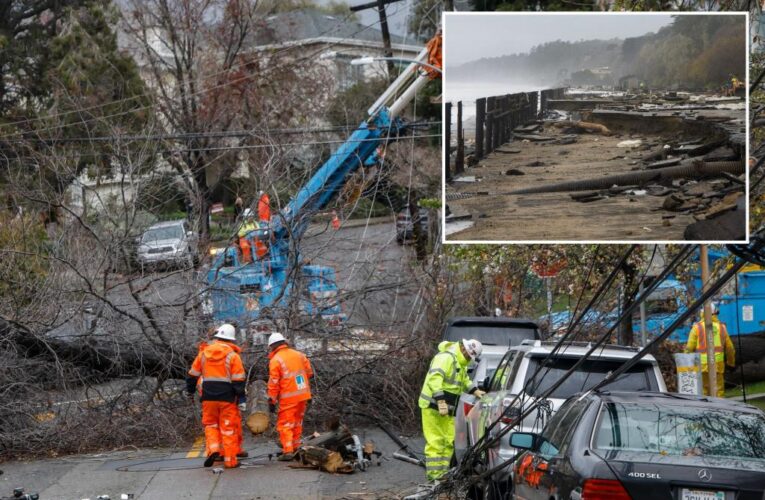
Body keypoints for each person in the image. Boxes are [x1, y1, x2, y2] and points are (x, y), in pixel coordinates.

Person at [418, 339, 485, 482]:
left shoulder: (459, 363)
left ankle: (442, 475)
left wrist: (474, 391)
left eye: (470, 357)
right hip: (432, 407)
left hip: (448, 410)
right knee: (435, 442)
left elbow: (464, 380)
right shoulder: (445, 358)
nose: (468, 358)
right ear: (462, 348)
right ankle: (434, 477)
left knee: (448, 442)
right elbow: (434, 379)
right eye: (468, 355)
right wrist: (440, 400)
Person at [187, 323, 248, 468]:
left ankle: (214, 450)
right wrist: (241, 398)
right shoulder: (233, 356)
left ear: (217, 337)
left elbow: (192, 376)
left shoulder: (203, 354)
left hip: (208, 397)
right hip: (227, 398)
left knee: (211, 425)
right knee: (228, 428)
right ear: (231, 340)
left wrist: (189, 391)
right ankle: (230, 461)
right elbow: (238, 381)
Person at [267, 332, 313, 461]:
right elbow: (309, 373)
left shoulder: (276, 360)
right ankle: (296, 447)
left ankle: (288, 451)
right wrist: (299, 384)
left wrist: (272, 399)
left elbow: (274, 382)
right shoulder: (299, 355)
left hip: (288, 397)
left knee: (285, 424)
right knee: (297, 422)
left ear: (272, 346)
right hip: (303, 394)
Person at [684, 303, 736, 397]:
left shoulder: (697, 328)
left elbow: (689, 349)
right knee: (718, 392)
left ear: (702, 313)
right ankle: (719, 410)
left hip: (701, 366)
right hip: (717, 365)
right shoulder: (722, 327)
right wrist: (731, 363)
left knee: (703, 392)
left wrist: (687, 366)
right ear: (715, 313)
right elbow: (730, 348)